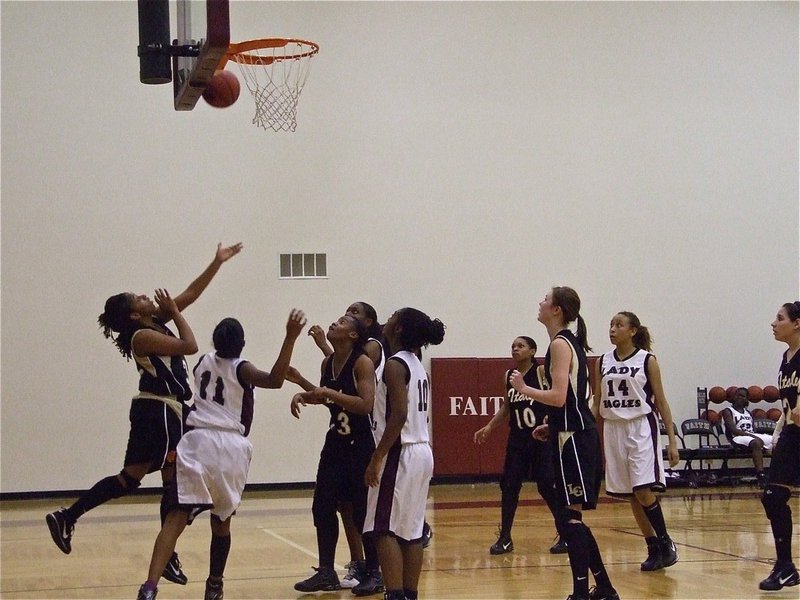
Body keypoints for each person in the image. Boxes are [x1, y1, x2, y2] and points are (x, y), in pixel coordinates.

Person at [45, 242, 242, 586]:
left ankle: (68, 515)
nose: (144, 295)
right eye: (137, 298)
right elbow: (190, 346)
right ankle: (169, 556)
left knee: (129, 479)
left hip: (153, 411)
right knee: (173, 481)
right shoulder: (142, 336)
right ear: (135, 314)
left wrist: (217, 262)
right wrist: (177, 314)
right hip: (162, 411)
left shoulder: (153, 322)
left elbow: (192, 293)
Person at [136, 310, 307, 600]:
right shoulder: (243, 368)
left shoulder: (202, 361)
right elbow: (276, 380)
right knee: (221, 521)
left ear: (215, 342)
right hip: (229, 447)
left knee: (175, 519)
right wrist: (290, 337)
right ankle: (215, 584)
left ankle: (150, 587)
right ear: (242, 344)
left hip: (197, 442)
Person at [510, 286, 618, 600]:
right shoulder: (566, 342)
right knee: (570, 519)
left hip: (574, 439)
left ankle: (582, 592)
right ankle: (605, 588)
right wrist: (550, 424)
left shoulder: (560, 344)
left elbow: (558, 397)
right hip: (568, 433)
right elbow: (569, 399)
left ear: (556, 310)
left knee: (569, 519)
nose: (540, 302)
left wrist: (523, 388)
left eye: (545, 299)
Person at [289, 315, 378, 594]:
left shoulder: (362, 363)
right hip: (335, 445)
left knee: (362, 512)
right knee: (323, 506)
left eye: (342, 322)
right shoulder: (328, 363)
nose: (334, 323)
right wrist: (305, 395)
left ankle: (374, 572)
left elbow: (365, 404)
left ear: (353, 335)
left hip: (361, 445)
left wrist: (328, 392)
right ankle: (326, 571)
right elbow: (328, 397)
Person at [363, 307, 445, 600]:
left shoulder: (395, 365)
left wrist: (376, 458)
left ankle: (395, 594)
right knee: (411, 530)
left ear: (399, 329)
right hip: (421, 450)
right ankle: (409, 594)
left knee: (382, 529)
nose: (390, 317)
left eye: (395, 315)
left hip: (401, 452)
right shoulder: (418, 365)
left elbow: (397, 416)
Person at [593, 311, 680, 573]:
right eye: (610, 324)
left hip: (640, 426)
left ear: (632, 331)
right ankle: (652, 546)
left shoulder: (647, 360)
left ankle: (666, 542)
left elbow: (661, 402)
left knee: (643, 489)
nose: (612, 329)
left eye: (618, 325)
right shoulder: (602, 361)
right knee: (632, 494)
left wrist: (672, 442)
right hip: (613, 428)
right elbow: (597, 401)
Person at [473, 336, 566, 555]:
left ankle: (566, 533)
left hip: (541, 438)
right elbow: (506, 407)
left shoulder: (542, 372)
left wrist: (551, 422)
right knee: (509, 486)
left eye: (521, 346)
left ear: (532, 351)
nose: (515, 349)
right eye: (513, 346)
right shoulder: (509, 376)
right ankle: (505, 537)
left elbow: (557, 397)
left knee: (546, 485)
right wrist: (488, 427)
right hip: (518, 438)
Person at [758, 301, 800, 591]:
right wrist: (777, 433)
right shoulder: (787, 357)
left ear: (797, 323)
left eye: (780, 318)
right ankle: (785, 566)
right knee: (773, 496)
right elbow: (789, 407)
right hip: (792, 434)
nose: (774, 323)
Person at [720, 387, 774, 487]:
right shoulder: (728, 411)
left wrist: (760, 439)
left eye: (742, 396)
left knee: (776, 440)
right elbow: (733, 430)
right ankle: (761, 475)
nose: (739, 397)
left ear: (746, 399)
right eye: (737, 395)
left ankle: (779, 474)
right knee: (756, 442)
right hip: (736, 438)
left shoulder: (748, 412)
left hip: (750, 435)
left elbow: (753, 429)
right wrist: (751, 436)